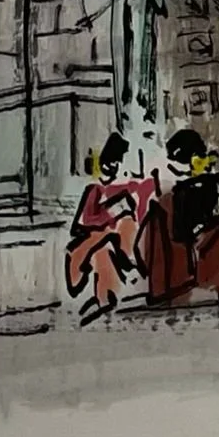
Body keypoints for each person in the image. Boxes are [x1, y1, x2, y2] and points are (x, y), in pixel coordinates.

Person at [138, 129, 219, 306]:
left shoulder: (175, 189)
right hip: (190, 258)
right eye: (200, 156)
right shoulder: (183, 189)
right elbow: (188, 230)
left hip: (179, 266)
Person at [65, 133, 153, 322]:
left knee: (110, 243)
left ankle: (106, 295)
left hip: (115, 243)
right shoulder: (95, 188)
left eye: (117, 163)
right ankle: (105, 296)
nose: (114, 167)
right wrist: (113, 213)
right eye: (112, 163)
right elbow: (82, 223)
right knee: (103, 248)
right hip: (94, 243)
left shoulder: (125, 189)